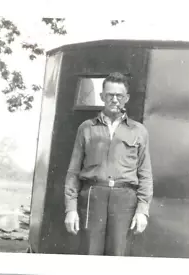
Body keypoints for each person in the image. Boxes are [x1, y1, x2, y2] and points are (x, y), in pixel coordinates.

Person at [64, 72, 153, 256]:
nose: (114, 99)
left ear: (126, 98)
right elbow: (73, 171)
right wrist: (70, 209)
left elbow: (145, 173)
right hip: (92, 196)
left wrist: (142, 210)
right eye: (110, 95)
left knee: (118, 257)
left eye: (119, 95)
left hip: (124, 199)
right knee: (90, 256)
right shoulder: (86, 128)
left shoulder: (138, 131)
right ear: (102, 96)